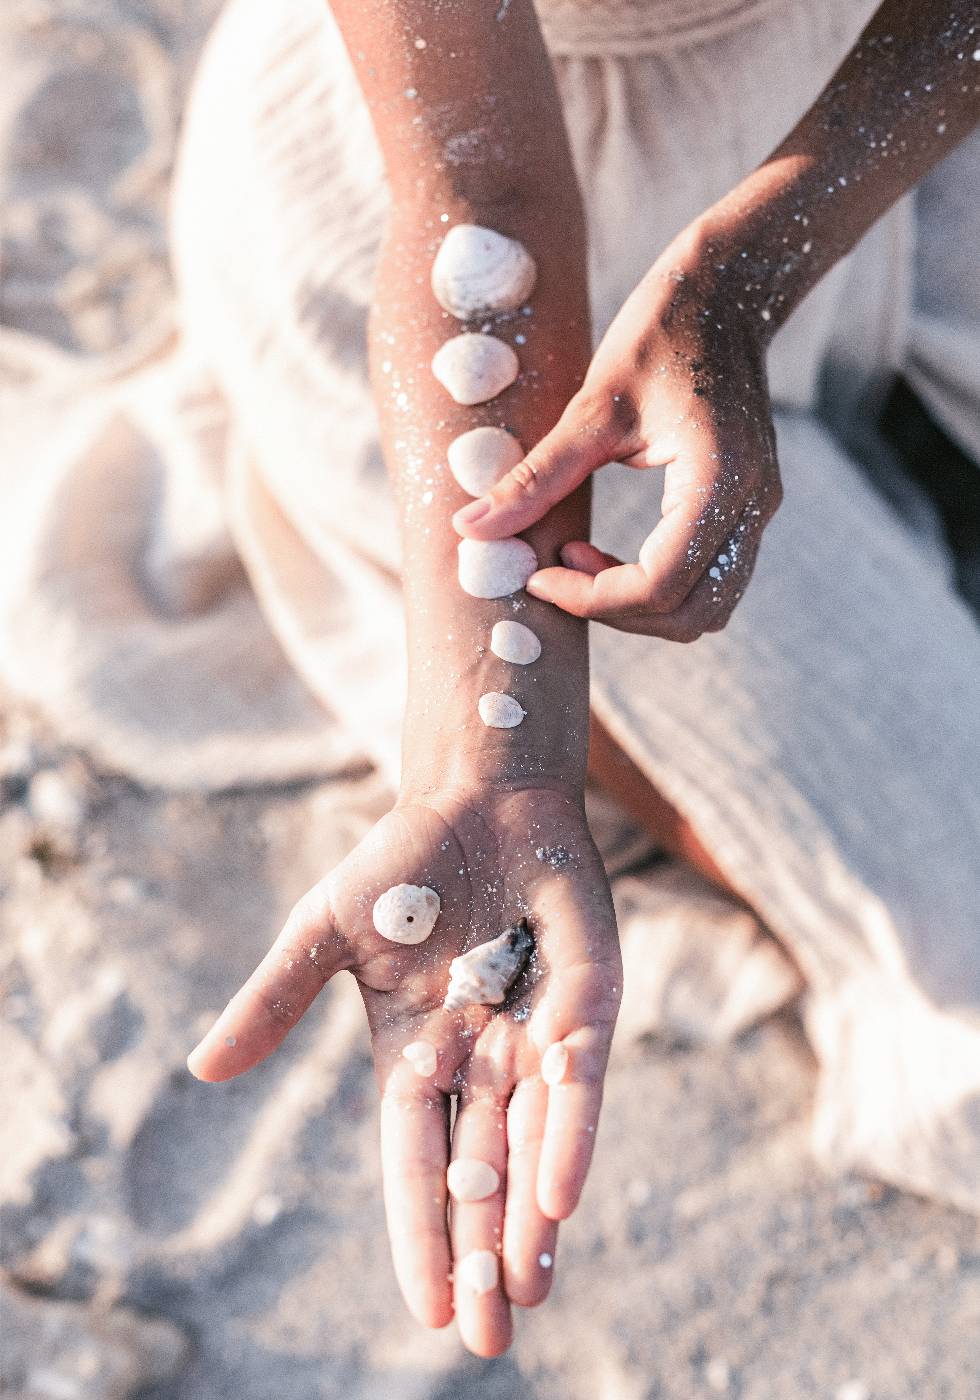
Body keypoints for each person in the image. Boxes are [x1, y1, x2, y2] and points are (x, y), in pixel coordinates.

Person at [4, 0, 979, 1361]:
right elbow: (480, 200)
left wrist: (743, 271)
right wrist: (497, 754)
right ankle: (658, 780)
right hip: (494, 297)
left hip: (872, 124)